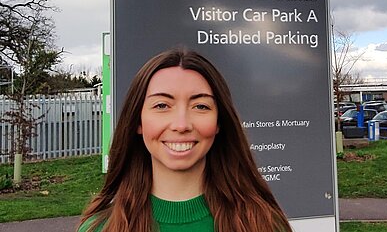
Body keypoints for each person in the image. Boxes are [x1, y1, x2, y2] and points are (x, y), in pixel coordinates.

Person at [78, 48, 292, 232]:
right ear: (138, 122)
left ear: (219, 122)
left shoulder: (263, 223)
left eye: (201, 106)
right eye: (161, 105)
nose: (181, 125)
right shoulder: (101, 227)